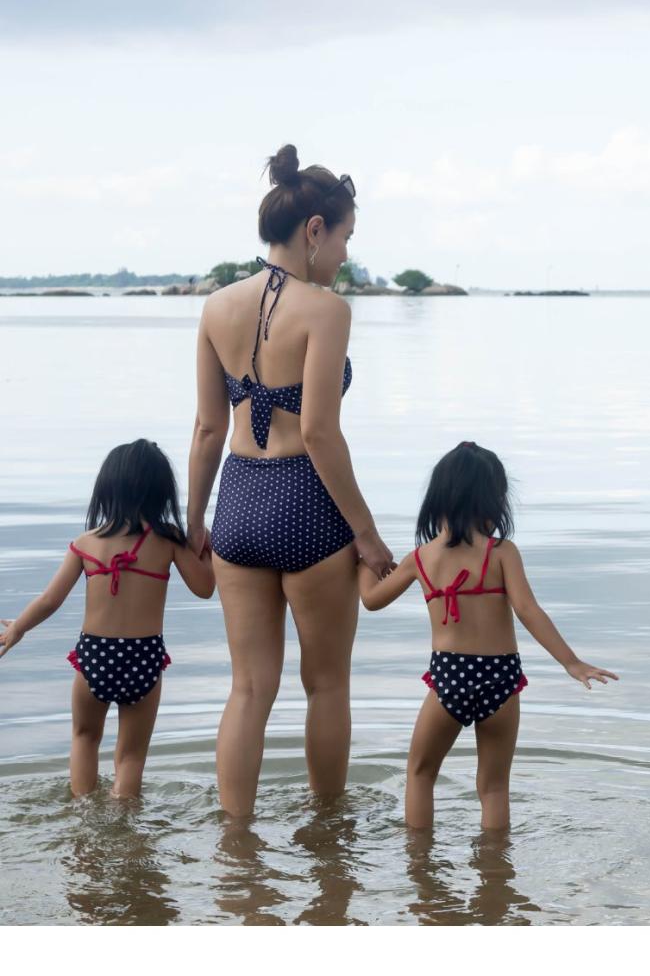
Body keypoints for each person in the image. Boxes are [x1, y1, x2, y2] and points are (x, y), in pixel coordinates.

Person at [187, 144, 395, 817]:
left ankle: (235, 841)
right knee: (327, 683)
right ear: (314, 231)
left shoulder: (216, 307)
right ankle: (330, 836)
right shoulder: (326, 311)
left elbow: (208, 432)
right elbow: (319, 434)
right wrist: (366, 535)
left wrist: (196, 523)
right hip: (308, 504)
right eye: (344, 240)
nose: (343, 258)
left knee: (248, 688)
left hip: (240, 504)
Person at [358, 442, 618, 829]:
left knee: (421, 775)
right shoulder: (502, 553)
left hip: (451, 676)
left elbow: (371, 600)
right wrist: (571, 662)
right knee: (494, 788)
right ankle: (496, 876)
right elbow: (529, 611)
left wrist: (364, 559)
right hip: (501, 678)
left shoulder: (421, 558)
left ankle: (421, 871)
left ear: (438, 499)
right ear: (495, 500)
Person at [0, 440, 215, 798]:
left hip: (95, 655)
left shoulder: (85, 543)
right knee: (131, 757)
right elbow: (205, 588)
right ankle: (126, 830)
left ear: (106, 489)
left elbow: (50, 599)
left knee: (85, 738)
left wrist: (18, 628)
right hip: (143, 657)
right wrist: (206, 552)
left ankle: (84, 814)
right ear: (161, 491)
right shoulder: (168, 541)